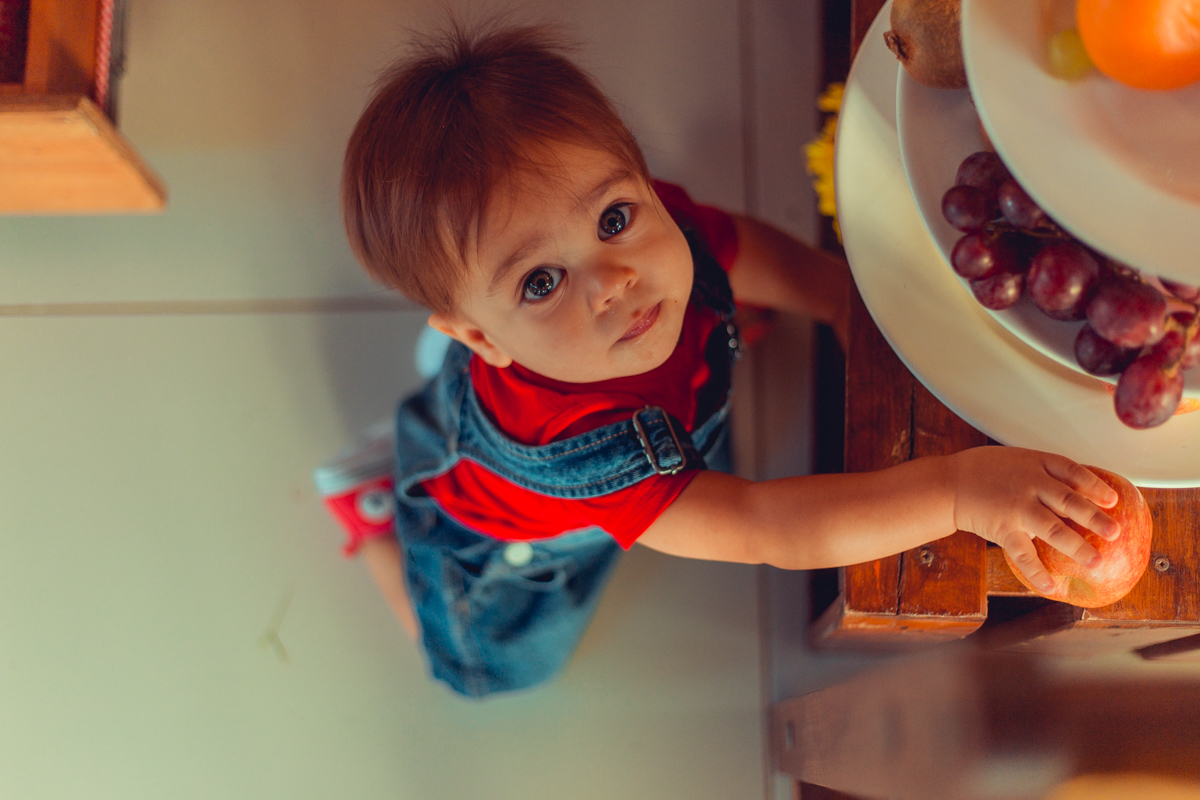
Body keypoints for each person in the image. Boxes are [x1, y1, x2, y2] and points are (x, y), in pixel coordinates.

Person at [321, 20, 1121, 699]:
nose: (615, 281)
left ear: (633, 174)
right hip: (497, 547)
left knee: (694, 289)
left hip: (538, 409)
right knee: (493, 667)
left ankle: (460, 387)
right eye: (540, 281)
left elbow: (731, 246)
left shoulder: (643, 228)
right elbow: (762, 522)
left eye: (613, 218)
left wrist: (833, 294)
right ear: (485, 339)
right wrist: (957, 492)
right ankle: (373, 515)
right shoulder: (578, 443)